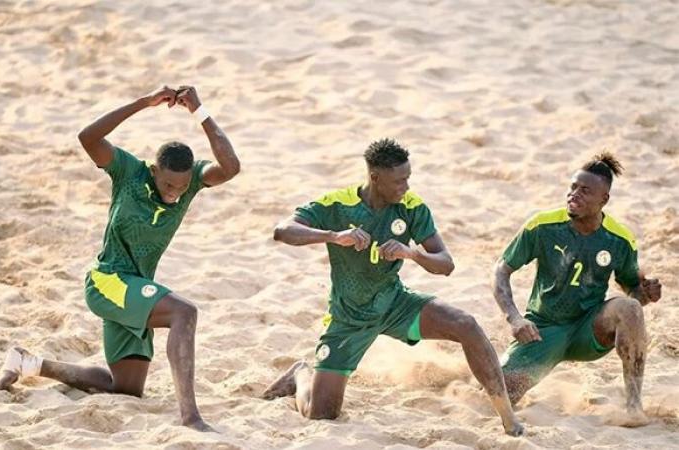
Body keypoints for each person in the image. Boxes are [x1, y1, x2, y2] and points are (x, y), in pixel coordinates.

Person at [0, 85, 240, 432]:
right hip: (107, 280)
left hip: (137, 287)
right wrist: (144, 103)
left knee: (123, 389)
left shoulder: (190, 183)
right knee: (185, 313)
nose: (175, 194)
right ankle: (191, 416)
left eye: (181, 188)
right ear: (154, 170)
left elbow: (230, 167)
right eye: (169, 185)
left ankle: (28, 362)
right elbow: (87, 137)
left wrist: (199, 111)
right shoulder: (129, 172)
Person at [262, 138, 523, 436]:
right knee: (322, 415)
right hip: (348, 317)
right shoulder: (338, 203)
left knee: (466, 324)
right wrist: (334, 236)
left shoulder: (412, 208)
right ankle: (301, 374)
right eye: (399, 181)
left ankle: (506, 415)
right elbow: (283, 231)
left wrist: (412, 253)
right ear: (375, 178)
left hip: (395, 304)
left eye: (408, 178)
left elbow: (446, 264)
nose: (406, 187)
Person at [493, 153, 662, 426]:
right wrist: (514, 317)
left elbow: (633, 291)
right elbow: (501, 270)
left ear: (604, 199)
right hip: (543, 328)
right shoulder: (543, 225)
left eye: (585, 191)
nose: (574, 194)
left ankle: (634, 405)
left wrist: (646, 294)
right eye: (572, 187)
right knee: (498, 394)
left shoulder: (620, 239)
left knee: (628, 308)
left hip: (588, 327)